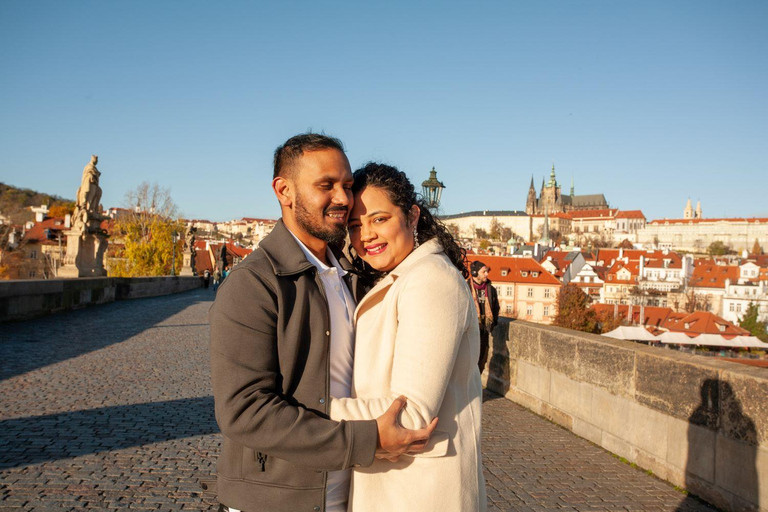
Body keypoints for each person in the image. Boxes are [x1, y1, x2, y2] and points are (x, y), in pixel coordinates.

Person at [209, 134, 436, 512]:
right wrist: (366, 439)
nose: (344, 199)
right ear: (285, 191)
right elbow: (244, 411)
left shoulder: (348, 274)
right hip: (277, 498)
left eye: (347, 186)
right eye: (326, 185)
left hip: (345, 493)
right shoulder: (253, 284)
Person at [329, 163, 486, 511]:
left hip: (421, 491)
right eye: (355, 225)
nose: (366, 234)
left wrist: (311, 407)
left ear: (412, 216)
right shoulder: (403, 275)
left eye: (379, 219)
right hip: (396, 482)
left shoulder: (431, 280)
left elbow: (409, 413)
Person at [469, 260, 499, 373]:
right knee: (469, 360)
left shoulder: (491, 290)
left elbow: (496, 307)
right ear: (475, 273)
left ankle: (477, 387)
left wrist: (493, 322)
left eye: (487, 271)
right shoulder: (466, 287)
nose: (487, 274)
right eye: (484, 272)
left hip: (484, 331)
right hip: (470, 331)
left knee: (482, 360)